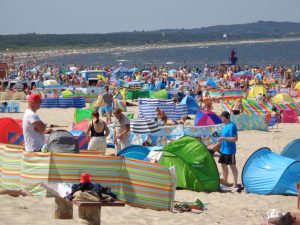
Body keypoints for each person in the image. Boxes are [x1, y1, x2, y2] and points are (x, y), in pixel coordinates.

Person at [218, 111, 239, 189]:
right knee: (223, 166)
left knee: (232, 166)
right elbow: (224, 137)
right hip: (223, 149)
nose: (221, 118)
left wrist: (223, 138)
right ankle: (225, 182)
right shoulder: (225, 126)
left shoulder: (232, 126)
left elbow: (235, 139)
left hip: (230, 150)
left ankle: (235, 184)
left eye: (222, 117)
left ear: (225, 117)